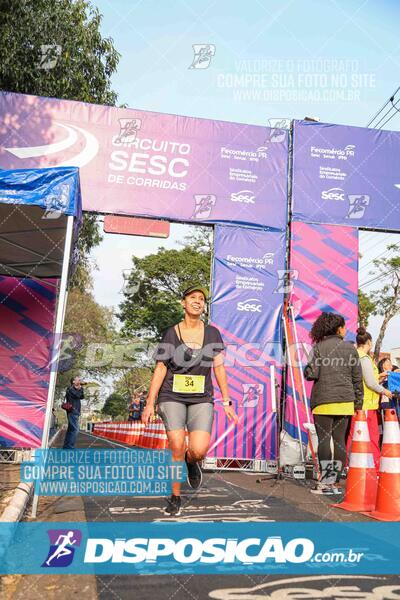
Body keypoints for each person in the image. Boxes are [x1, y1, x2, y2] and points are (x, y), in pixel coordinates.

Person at [142, 284, 238, 517]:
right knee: (176, 444)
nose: (197, 301)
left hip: (201, 398)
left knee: (199, 450)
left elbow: (219, 367)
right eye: (192, 297)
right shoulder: (171, 333)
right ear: (183, 303)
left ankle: (191, 461)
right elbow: (160, 369)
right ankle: (175, 497)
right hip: (171, 396)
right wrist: (149, 403)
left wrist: (226, 401)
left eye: (202, 299)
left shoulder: (213, 333)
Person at [304, 312, 364, 495]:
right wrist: (358, 404)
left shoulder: (318, 348)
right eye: (345, 327)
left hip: (323, 401)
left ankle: (326, 482)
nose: (346, 330)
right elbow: (357, 379)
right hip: (346, 401)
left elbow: (311, 374)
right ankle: (336, 483)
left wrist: (308, 365)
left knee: (324, 440)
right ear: (338, 328)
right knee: (339, 442)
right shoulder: (351, 349)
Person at [355, 327, 392, 468]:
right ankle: (375, 467)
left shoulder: (356, 356)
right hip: (366, 404)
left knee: (357, 437)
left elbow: (368, 378)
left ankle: (354, 466)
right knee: (372, 437)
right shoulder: (364, 358)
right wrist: (385, 391)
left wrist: (380, 376)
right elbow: (370, 383)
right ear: (369, 342)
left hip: (361, 403)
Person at [62, 376, 85, 450]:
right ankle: (70, 447)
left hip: (75, 411)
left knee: (71, 429)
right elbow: (77, 395)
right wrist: (80, 388)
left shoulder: (76, 389)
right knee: (75, 429)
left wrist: (80, 388)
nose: (80, 380)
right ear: (73, 382)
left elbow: (82, 396)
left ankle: (66, 447)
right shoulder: (70, 389)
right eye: (78, 379)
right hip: (72, 411)